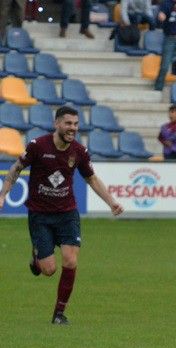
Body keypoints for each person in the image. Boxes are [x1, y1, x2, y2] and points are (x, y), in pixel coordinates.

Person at [0, 106, 124, 325]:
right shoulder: (38, 146)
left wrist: (111, 202)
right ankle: (37, 259)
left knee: (70, 260)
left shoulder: (79, 151)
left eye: (76, 124)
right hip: (40, 215)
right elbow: (16, 169)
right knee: (48, 270)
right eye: (68, 123)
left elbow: (92, 179)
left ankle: (59, 313)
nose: (73, 128)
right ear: (57, 124)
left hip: (67, 213)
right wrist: (3, 195)